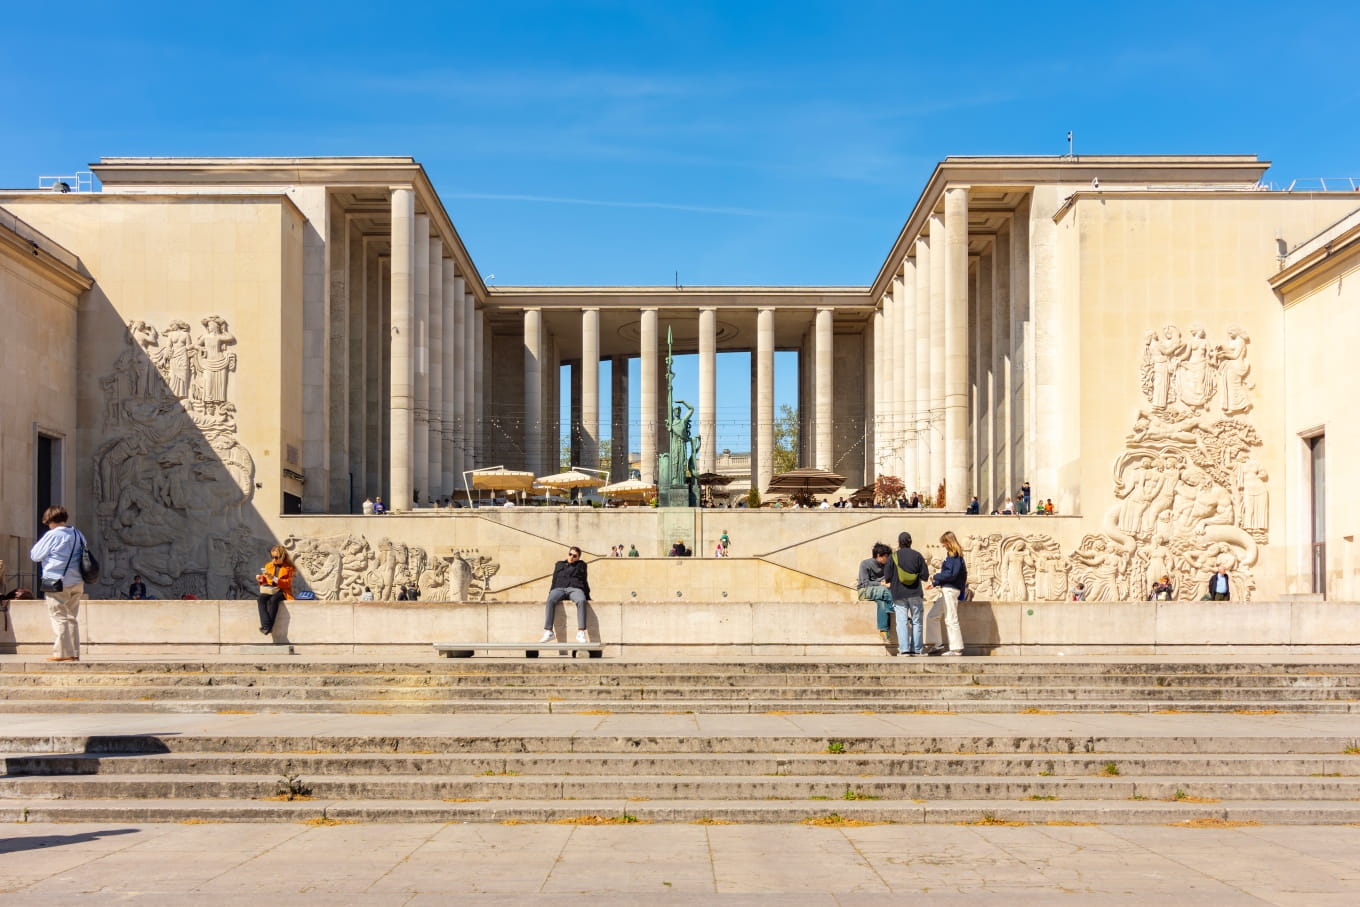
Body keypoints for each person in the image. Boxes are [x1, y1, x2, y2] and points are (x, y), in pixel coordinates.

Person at [29, 505, 88, 662]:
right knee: (71, 617)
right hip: (78, 581)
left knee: (58, 616)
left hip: (57, 581)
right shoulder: (78, 534)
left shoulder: (52, 535)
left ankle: (61, 653)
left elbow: (35, 555)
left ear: (50, 520)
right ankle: (74, 653)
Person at [925, 531, 968, 656]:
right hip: (947, 589)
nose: (943, 546)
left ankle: (956, 648)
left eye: (944, 543)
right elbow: (951, 574)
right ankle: (937, 644)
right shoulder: (953, 556)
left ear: (948, 542)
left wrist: (936, 576)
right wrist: (935, 583)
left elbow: (952, 574)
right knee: (932, 616)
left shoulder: (954, 555)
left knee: (951, 619)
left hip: (950, 590)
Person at [886, 531, 929, 656]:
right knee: (917, 621)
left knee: (901, 621)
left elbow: (887, 577)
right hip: (915, 592)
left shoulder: (893, 557)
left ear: (899, 543)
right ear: (911, 542)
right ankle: (917, 649)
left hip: (898, 594)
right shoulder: (917, 556)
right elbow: (925, 576)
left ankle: (904, 650)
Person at [539, 546, 592, 644]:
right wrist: (552, 591)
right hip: (559, 588)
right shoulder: (559, 564)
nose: (571, 557)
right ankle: (549, 632)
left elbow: (584, 580)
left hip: (575, 588)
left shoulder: (581, 565)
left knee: (581, 600)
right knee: (550, 600)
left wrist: (587, 595)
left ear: (578, 557)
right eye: (570, 554)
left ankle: (581, 632)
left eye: (574, 556)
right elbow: (554, 579)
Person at [856, 542, 895, 646]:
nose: (888, 559)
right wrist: (880, 583)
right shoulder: (865, 564)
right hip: (864, 591)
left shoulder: (887, 565)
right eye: (887, 556)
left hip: (880, 594)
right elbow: (864, 583)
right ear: (879, 556)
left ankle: (884, 632)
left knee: (882, 603)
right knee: (884, 591)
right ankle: (897, 609)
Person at [255, 545, 295, 635]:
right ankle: (267, 625)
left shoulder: (289, 568)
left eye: (276, 557)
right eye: (272, 557)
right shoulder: (268, 566)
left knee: (274, 600)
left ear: (282, 556)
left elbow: (287, 584)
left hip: (283, 591)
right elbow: (265, 582)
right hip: (270, 590)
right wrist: (260, 579)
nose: (274, 559)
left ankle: (267, 627)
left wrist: (274, 578)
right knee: (261, 599)